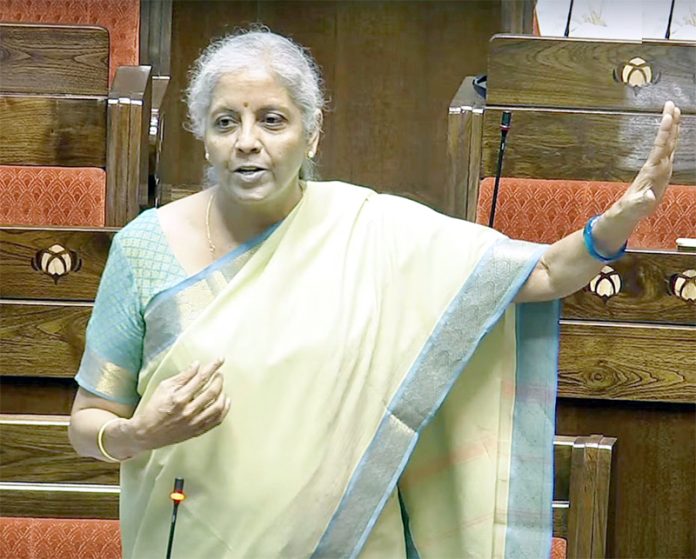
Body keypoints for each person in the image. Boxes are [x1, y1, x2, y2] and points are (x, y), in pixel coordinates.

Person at [68, 28, 680, 558]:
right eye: (226, 122)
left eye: (272, 119)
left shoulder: (376, 231)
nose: (247, 141)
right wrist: (137, 434)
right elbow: (86, 422)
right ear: (203, 135)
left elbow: (543, 275)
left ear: (312, 135)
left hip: (353, 541)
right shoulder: (145, 248)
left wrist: (615, 226)